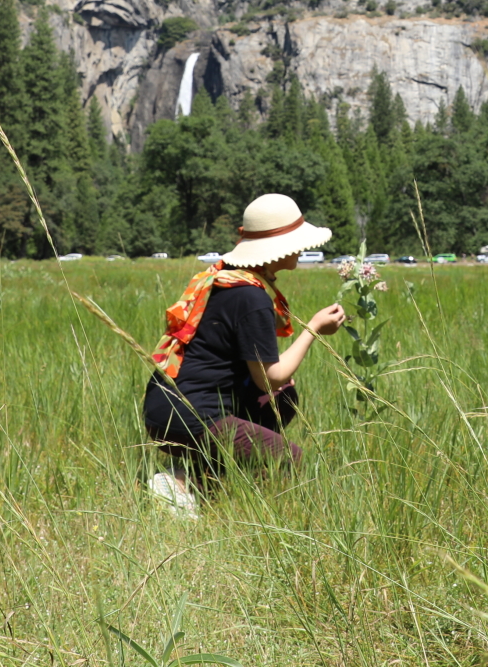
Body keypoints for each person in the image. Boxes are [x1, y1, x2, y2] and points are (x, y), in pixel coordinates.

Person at [141, 193, 346, 516]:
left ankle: (192, 479)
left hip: (163, 409)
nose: (302, 248)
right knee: (289, 458)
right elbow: (271, 377)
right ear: (279, 247)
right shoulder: (251, 297)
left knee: (282, 399)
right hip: (194, 417)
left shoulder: (224, 279)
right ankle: (187, 484)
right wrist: (314, 329)